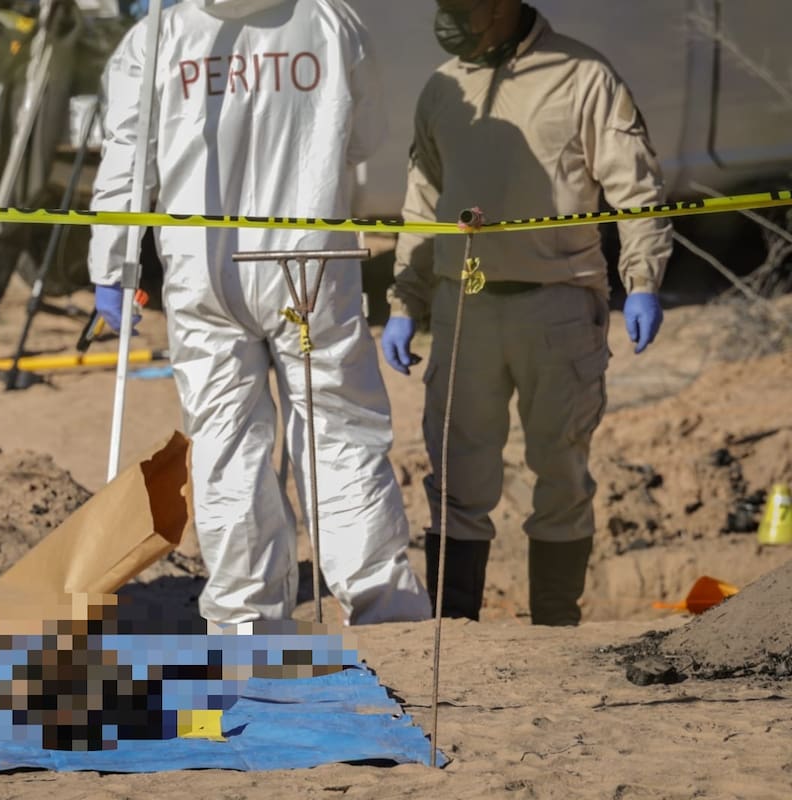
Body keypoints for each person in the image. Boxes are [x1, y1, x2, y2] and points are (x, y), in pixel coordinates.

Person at [88, 0, 432, 625]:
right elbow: (367, 135)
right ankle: (387, 615)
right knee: (339, 435)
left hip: (203, 270)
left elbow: (127, 159)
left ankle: (246, 623)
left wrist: (110, 265)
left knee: (226, 447)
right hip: (307, 263)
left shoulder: (159, 34)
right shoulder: (330, 20)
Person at [381, 0, 673, 625]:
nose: (449, 18)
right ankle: (452, 637)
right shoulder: (443, 88)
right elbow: (422, 203)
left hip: (559, 304)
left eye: (464, 6)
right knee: (456, 478)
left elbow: (636, 188)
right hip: (466, 307)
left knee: (562, 472)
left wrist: (643, 278)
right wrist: (405, 299)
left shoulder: (584, 76)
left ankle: (554, 636)